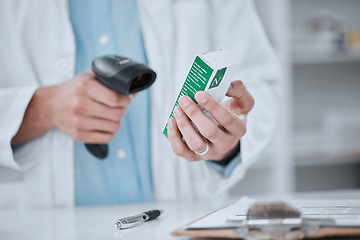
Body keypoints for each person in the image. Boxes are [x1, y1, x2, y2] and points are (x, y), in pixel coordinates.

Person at [0, 0, 281, 207]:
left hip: (177, 215)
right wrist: (38, 109)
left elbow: (257, 80)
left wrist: (224, 140)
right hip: (42, 219)